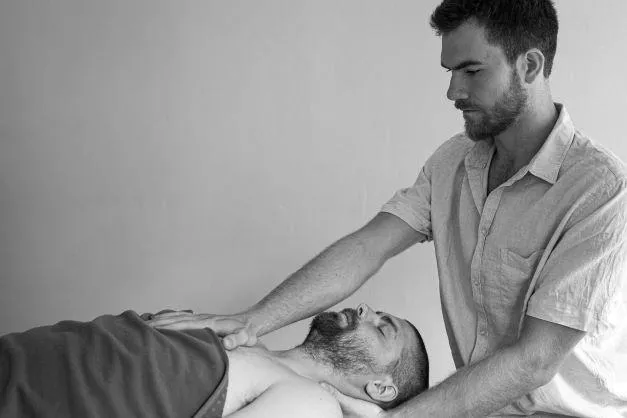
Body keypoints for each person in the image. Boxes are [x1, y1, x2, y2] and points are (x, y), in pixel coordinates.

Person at [149, 1, 627, 417]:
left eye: (472, 71)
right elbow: (367, 247)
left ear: (530, 65)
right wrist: (252, 321)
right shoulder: (452, 162)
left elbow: (535, 360)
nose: (453, 91)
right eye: (450, 72)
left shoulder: (601, 190)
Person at [0, 304, 428, 418]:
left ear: (381, 386)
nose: (366, 309)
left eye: (382, 328)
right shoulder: (246, 340)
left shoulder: (312, 405)